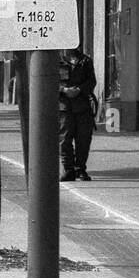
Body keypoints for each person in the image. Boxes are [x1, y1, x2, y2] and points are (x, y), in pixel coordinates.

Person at [59, 44, 97, 181]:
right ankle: (68, 169)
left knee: (83, 139)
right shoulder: (57, 60)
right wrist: (64, 90)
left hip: (82, 107)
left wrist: (79, 90)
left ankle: (80, 168)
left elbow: (91, 81)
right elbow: (49, 81)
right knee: (64, 139)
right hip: (64, 107)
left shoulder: (85, 61)